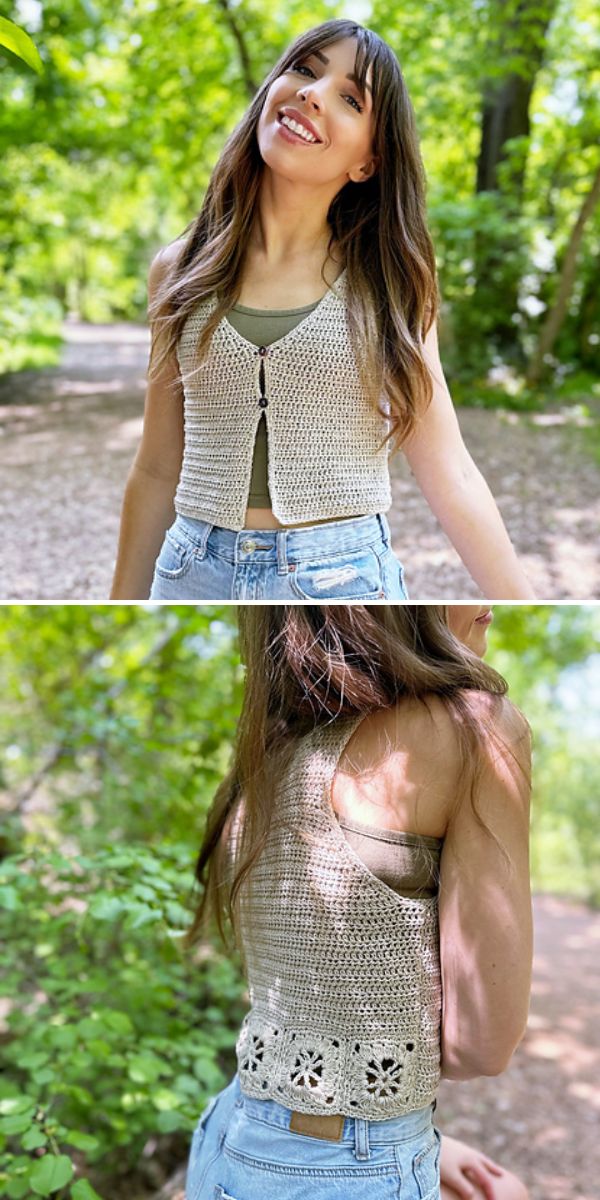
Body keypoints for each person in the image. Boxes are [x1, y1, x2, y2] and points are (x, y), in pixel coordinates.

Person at [109, 19, 536, 602]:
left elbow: (450, 468)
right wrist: (125, 606)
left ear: (368, 161)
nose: (312, 93)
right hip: (190, 573)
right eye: (305, 70)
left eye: (349, 98)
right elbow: (157, 468)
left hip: (343, 580)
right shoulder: (178, 269)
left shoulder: (390, 281)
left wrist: (526, 602)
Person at [182, 604, 533, 1199]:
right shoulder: (474, 728)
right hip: (338, 1171)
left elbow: (304, 1006)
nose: (488, 603)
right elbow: (480, 1044)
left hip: (228, 1135)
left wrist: (418, 1146)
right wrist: (385, 1146)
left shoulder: (269, 753)